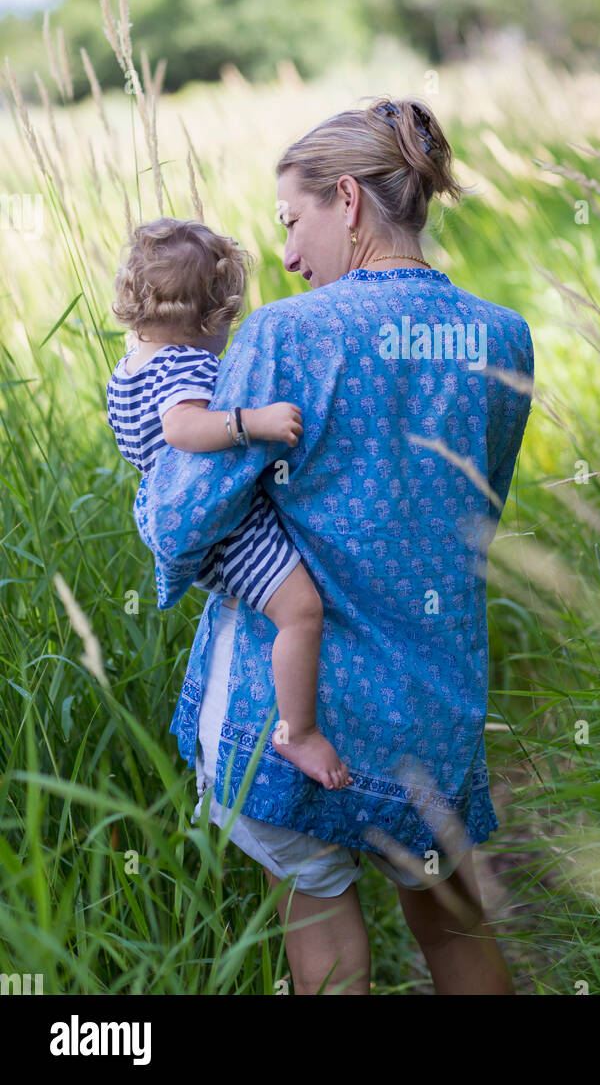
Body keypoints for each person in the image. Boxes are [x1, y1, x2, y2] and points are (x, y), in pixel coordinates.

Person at [142, 95, 534, 995]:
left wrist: (154, 466)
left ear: (348, 201)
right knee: (455, 931)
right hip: (431, 709)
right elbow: (479, 506)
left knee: (324, 945)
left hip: (293, 722)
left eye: (291, 220)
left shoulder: (285, 334)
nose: (283, 253)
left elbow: (182, 518)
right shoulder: (502, 336)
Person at [106, 217, 351, 790]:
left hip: (196, 525)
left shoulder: (131, 366)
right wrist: (251, 422)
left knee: (282, 610)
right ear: (208, 320)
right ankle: (298, 732)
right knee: (301, 612)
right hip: (229, 530)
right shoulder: (182, 364)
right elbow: (182, 428)